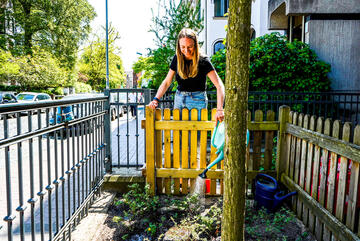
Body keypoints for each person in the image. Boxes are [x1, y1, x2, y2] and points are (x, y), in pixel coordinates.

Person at [148, 28, 225, 122]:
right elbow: (167, 82)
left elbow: (219, 85)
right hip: (179, 99)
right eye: (183, 47)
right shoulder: (177, 58)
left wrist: (220, 109)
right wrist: (156, 99)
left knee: (197, 135)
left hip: (198, 100)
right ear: (178, 46)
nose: (186, 51)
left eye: (190, 47)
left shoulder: (203, 61)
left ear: (195, 45)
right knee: (178, 135)